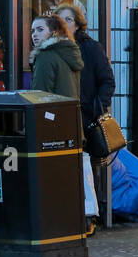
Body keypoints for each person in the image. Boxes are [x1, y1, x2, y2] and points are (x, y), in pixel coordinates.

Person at [29, 14, 96, 232]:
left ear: (54, 32)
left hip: (53, 127)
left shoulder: (47, 57)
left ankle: (57, 224)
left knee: (53, 179)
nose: (34, 35)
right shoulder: (68, 54)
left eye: (40, 30)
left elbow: (40, 96)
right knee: (72, 174)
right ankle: (83, 218)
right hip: (71, 124)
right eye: (32, 31)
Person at [54, 2, 113, 227]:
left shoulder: (90, 48)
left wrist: (99, 108)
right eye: (61, 20)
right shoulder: (55, 48)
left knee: (87, 167)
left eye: (69, 19)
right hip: (61, 117)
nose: (65, 24)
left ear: (78, 24)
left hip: (86, 116)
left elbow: (107, 80)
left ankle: (90, 215)